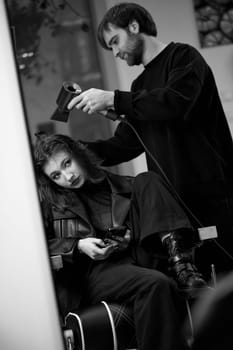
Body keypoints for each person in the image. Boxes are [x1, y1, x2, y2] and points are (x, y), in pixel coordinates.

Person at [67, 2, 233, 279]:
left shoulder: (184, 57)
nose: (116, 52)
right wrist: (76, 153)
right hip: (177, 206)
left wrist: (115, 99)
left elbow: (174, 102)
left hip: (216, 196)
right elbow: (124, 145)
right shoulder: (139, 88)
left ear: (134, 26)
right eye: (110, 47)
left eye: (115, 41)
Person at [34, 133, 207, 350]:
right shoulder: (50, 207)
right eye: (56, 175)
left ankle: (181, 263)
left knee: (147, 178)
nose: (67, 176)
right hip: (95, 273)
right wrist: (78, 246)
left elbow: (151, 220)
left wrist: (128, 238)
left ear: (77, 153)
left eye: (67, 163)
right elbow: (35, 250)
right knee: (156, 283)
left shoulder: (126, 185)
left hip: (138, 256)